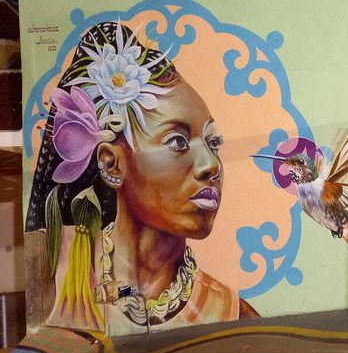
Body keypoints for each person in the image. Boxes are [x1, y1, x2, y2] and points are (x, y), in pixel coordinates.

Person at [26, 21, 258, 335]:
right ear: (111, 164)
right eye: (177, 141)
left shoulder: (234, 316)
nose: (211, 165)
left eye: (213, 142)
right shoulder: (53, 274)